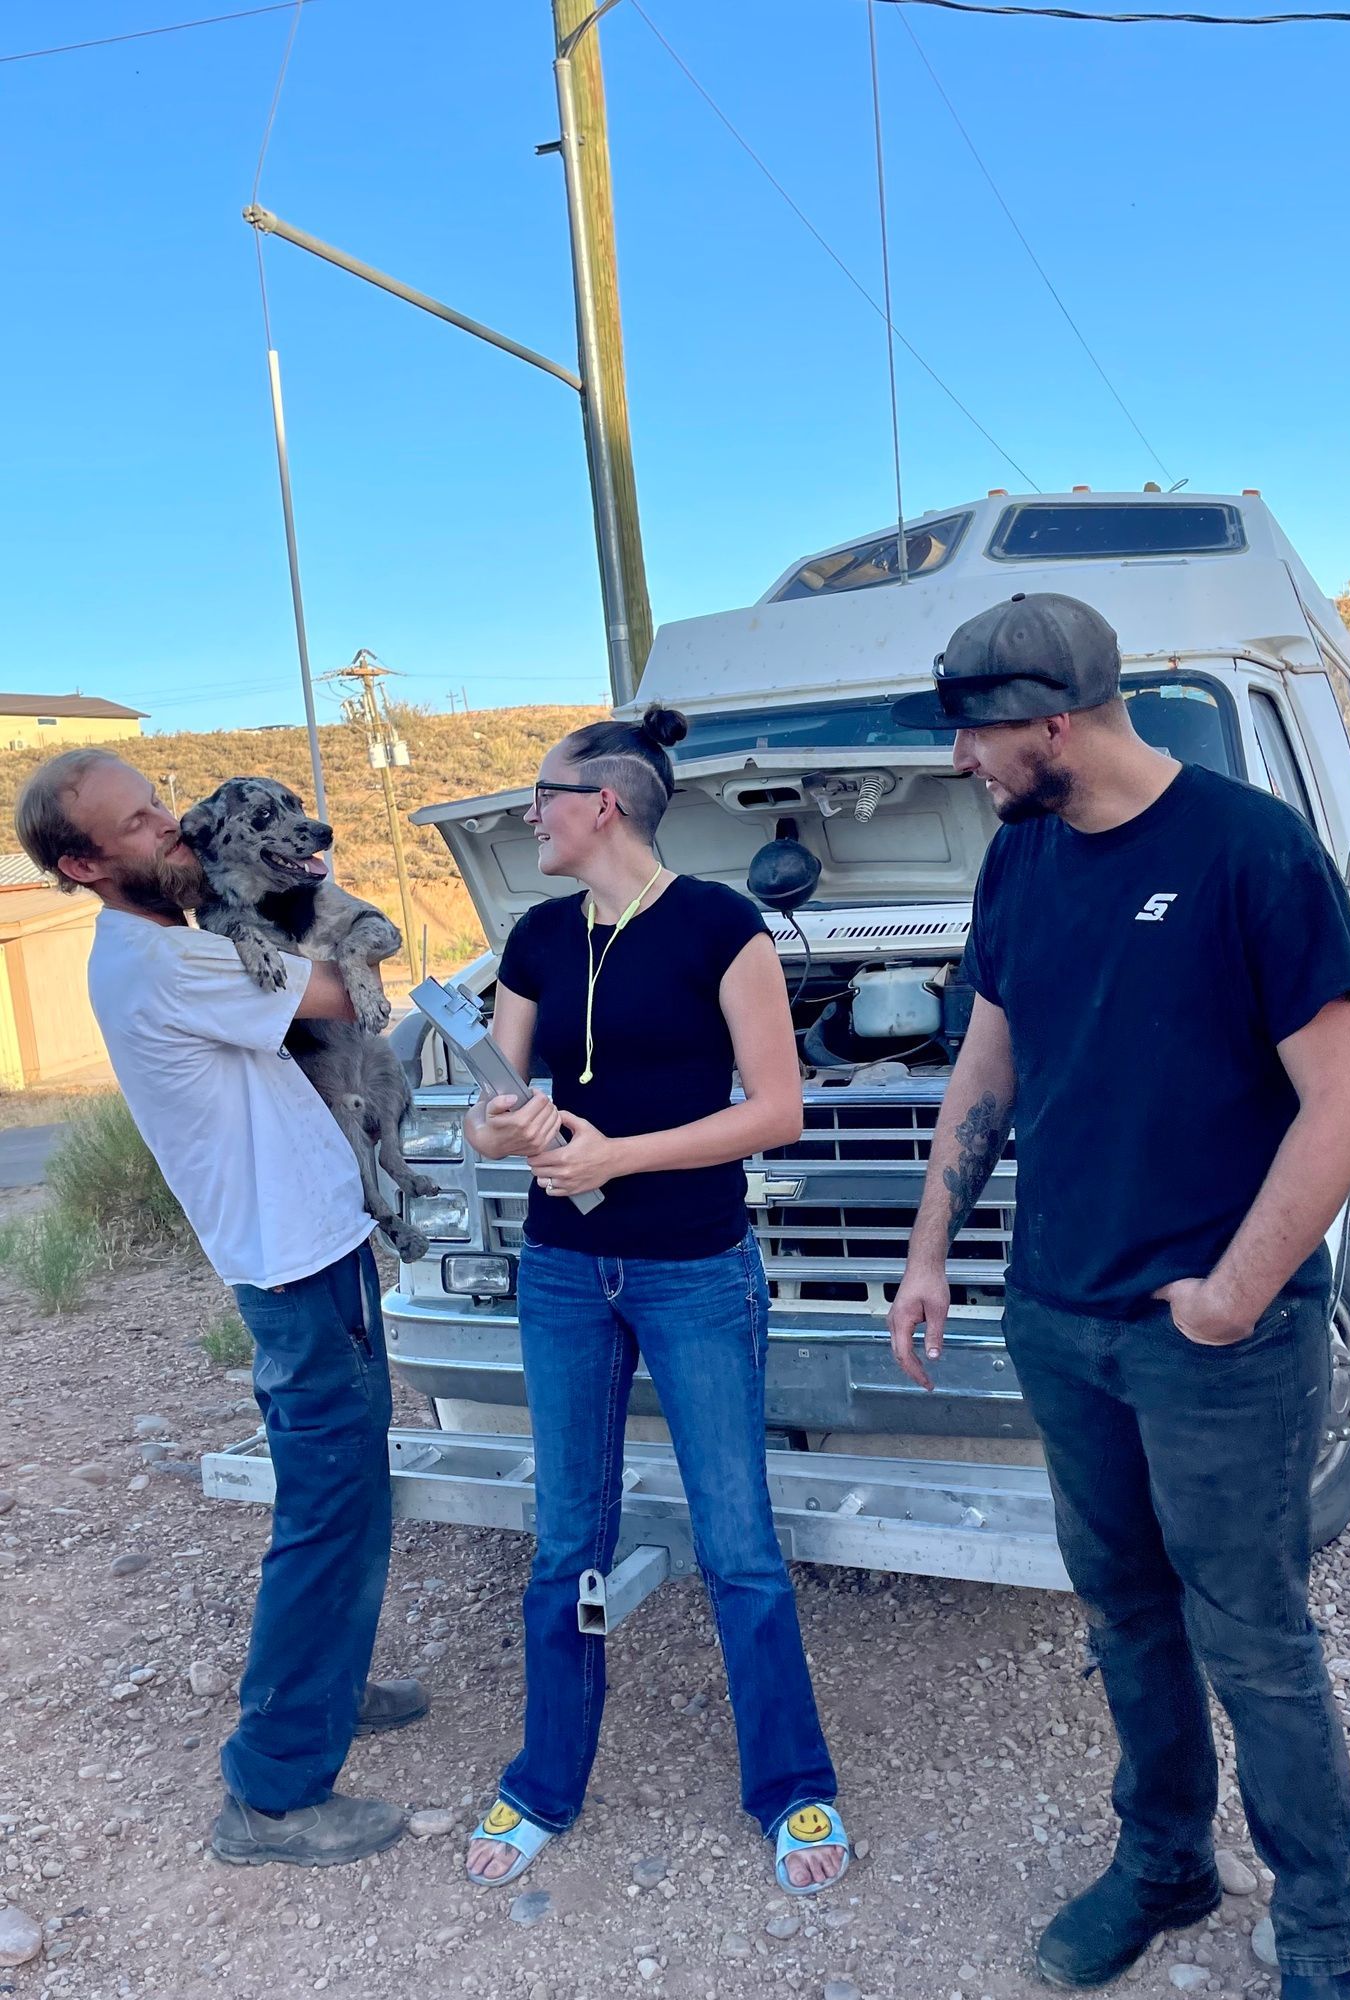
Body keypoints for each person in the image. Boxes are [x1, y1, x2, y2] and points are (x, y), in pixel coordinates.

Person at [887, 595, 1350, 2000]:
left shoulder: (1247, 851)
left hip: (1211, 1346)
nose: (963, 764)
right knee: (1124, 1615)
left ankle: (1325, 1920)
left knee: (1255, 1636)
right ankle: (1165, 1864)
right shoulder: (1023, 859)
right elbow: (988, 1068)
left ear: (1054, 719)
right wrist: (932, 1250)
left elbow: (1346, 1102)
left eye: (974, 734)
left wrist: (1233, 1295)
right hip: (1060, 1318)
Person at [14, 750, 427, 1868]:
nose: (176, 830)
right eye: (143, 824)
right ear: (83, 862)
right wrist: (312, 903)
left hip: (315, 1244)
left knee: (346, 1487)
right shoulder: (159, 961)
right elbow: (341, 990)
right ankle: (274, 1791)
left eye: (164, 806)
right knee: (328, 1510)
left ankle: (328, 1691)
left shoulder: (177, 942)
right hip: (295, 1264)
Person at [461, 705, 848, 1896]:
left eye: (542, 793)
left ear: (603, 802)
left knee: (739, 1544)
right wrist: (508, 1125)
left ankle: (794, 1787)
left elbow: (776, 1110)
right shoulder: (534, 936)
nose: (530, 812)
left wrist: (614, 1155)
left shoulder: (722, 928)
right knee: (562, 1539)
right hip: (563, 1274)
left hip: (692, 1266)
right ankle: (543, 1780)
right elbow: (493, 1103)